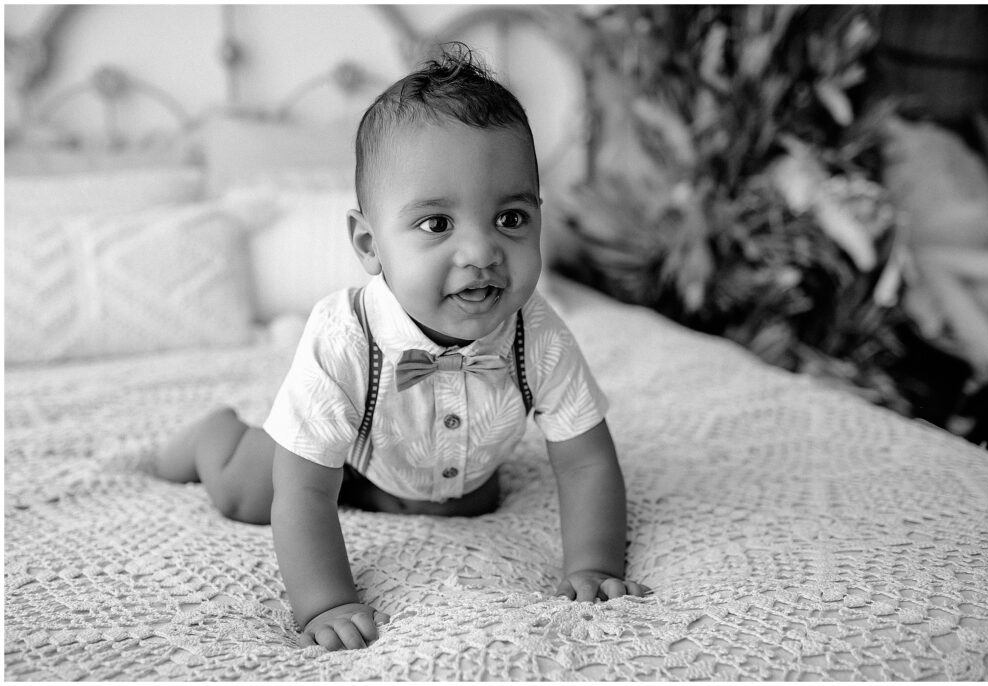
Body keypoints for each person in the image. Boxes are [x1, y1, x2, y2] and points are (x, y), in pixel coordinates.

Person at [155, 45, 647, 652]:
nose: (482, 253)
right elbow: (306, 493)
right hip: (335, 455)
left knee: (461, 503)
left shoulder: (538, 332)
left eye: (511, 218)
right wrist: (326, 601)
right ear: (369, 243)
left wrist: (593, 566)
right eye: (437, 224)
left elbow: (586, 463)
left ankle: (414, 489)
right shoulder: (343, 336)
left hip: (427, 463)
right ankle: (212, 434)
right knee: (246, 494)